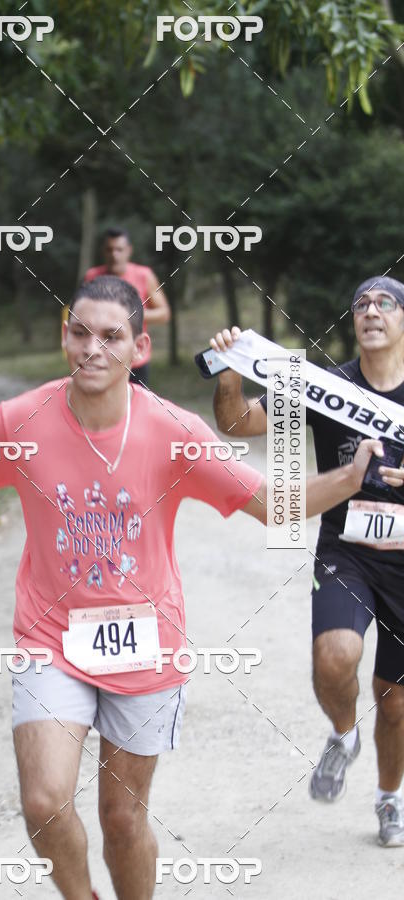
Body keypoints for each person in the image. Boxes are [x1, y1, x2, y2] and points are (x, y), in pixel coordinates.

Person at [0, 276, 394, 898]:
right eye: (80, 333)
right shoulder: (20, 422)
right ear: (65, 338)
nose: (93, 349)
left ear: (140, 348)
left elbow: (274, 503)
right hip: (50, 641)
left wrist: (349, 478)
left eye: (111, 336)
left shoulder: (174, 431)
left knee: (122, 818)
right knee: (44, 803)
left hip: (148, 647)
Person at [209, 276, 404, 847]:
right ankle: (343, 735)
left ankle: (389, 798)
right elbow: (238, 423)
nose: (371, 311)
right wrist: (229, 372)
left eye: (386, 303)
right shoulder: (327, 386)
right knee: (335, 655)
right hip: (348, 552)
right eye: (361, 303)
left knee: (395, 701)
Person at [82, 228, 171, 387]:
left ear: (129, 250)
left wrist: (129, 315)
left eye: (119, 249)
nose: (114, 254)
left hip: (135, 359)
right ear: (103, 251)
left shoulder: (144, 275)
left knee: (136, 402)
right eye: (109, 249)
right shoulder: (92, 276)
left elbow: (164, 313)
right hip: (101, 357)